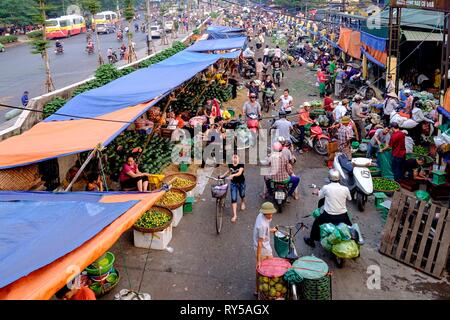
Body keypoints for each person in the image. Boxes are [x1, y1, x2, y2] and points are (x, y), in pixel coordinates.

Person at [304, 169, 352, 248]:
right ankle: (355, 244)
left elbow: (320, 195)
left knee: (316, 223)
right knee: (350, 228)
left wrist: (316, 191)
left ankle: (311, 241)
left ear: (329, 178)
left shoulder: (326, 187)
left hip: (329, 216)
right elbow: (349, 199)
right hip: (343, 216)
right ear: (339, 178)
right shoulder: (345, 189)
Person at [253, 202, 278, 295]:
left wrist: (271, 230)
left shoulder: (261, 215)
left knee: (263, 269)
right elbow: (260, 243)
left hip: (264, 245)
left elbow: (266, 229)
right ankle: (259, 290)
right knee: (263, 269)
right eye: (270, 214)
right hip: (263, 249)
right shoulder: (262, 225)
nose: (271, 215)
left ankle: (257, 290)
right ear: (265, 213)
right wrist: (259, 260)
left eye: (272, 213)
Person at [219, 154, 245, 223]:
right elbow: (229, 170)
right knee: (233, 198)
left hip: (241, 183)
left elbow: (239, 173)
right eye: (233, 157)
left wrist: (233, 175)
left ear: (239, 158)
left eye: (236, 157)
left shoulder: (241, 164)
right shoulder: (230, 164)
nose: (234, 159)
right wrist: (223, 176)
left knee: (242, 194)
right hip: (233, 184)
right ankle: (235, 215)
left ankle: (242, 202)